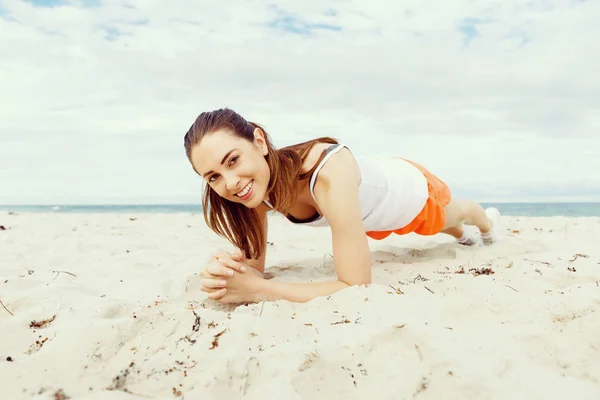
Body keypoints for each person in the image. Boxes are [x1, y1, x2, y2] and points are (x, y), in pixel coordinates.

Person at [183, 108, 501, 304]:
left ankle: (487, 225)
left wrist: (257, 290)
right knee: (449, 230)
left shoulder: (328, 175)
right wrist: (225, 271)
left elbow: (354, 286)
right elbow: (253, 271)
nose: (231, 182)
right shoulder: (254, 190)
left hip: (413, 194)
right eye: (213, 177)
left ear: (260, 142)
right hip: (371, 215)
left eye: (233, 160)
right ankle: (463, 236)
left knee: (456, 215)